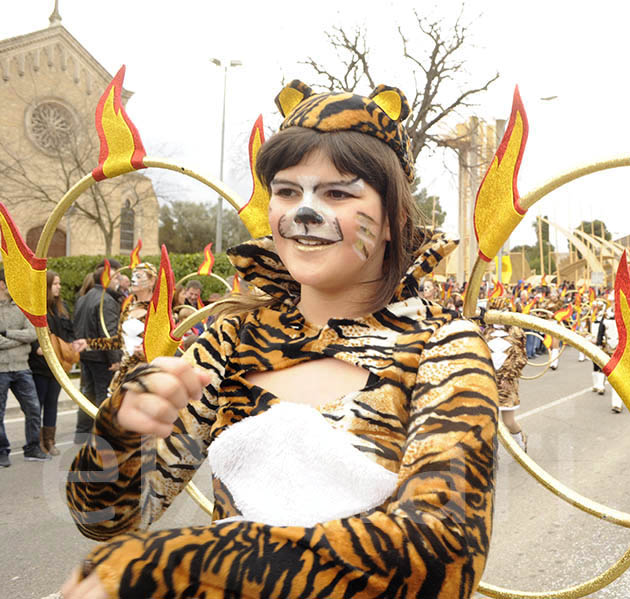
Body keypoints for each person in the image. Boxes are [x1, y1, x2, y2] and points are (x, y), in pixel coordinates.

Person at [60, 81, 498, 598]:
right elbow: (105, 521)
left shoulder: (443, 349)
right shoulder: (229, 341)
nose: (303, 213)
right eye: (287, 192)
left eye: (338, 192)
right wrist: (120, 436)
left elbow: (442, 556)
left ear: (391, 222)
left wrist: (175, 568)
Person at [28, 270, 86, 456]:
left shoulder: (63, 307)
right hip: (40, 364)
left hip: (59, 363)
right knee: (38, 404)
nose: (59, 287)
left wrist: (73, 344)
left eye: (59, 284)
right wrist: (38, 347)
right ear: (46, 286)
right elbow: (33, 333)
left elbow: (70, 331)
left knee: (52, 402)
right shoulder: (37, 307)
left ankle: (49, 440)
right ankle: (36, 442)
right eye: (55, 284)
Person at [0, 268, 50, 466]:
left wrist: (6, 332)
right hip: (1, 369)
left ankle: (32, 447)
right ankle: (2, 450)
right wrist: (19, 338)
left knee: (33, 408)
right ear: (3, 285)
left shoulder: (22, 307)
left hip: (22, 367)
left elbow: (32, 334)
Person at [71, 259, 122, 443]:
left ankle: (82, 433)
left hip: (86, 355)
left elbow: (77, 326)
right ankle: (102, 436)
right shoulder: (106, 301)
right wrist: (115, 358)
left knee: (87, 393)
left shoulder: (83, 297)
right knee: (103, 395)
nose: (119, 281)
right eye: (115, 278)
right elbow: (109, 332)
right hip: (101, 357)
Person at [483, 295, 528, 451]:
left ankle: (520, 444)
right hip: (489, 382)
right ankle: (491, 455)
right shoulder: (486, 332)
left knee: (508, 421)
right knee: (489, 421)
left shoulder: (516, 332)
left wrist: (508, 378)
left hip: (507, 383)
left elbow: (521, 358)